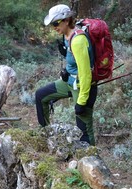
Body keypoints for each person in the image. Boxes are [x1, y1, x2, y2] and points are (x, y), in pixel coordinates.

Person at [35, 4, 98, 145]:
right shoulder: (66, 36)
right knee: (41, 96)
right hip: (69, 82)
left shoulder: (78, 40)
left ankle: (92, 162)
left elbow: (86, 74)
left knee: (84, 131)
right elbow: (74, 63)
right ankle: (45, 136)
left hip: (82, 88)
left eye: (56, 23)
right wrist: (66, 66)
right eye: (52, 24)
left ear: (67, 20)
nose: (54, 27)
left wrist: (81, 102)